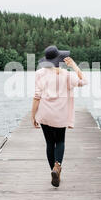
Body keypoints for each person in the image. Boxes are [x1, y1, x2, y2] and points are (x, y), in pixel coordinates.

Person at [31, 45, 88, 187]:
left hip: (44, 113)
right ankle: (57, 167)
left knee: (50, 143)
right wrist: (74, 65)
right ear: (59, 59)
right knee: (60, 142)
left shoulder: (39, 73)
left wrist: (33, 116)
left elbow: (36, 97)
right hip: (61, 114)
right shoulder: (66, 75)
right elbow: (84, 81)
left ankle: (54, 171)